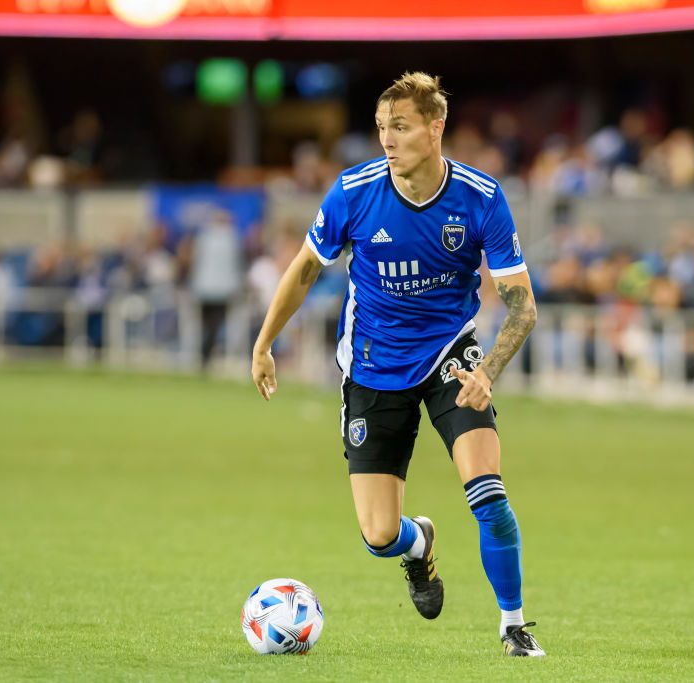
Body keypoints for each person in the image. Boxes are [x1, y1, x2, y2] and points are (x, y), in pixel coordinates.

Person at [251, 72, 545, 657]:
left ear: (436, 128)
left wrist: (487, 370)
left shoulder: (481, 197)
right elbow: (305, 269)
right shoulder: (353, 191)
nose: (387, 138)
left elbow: (523, 306)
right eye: (382, 126)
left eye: (401, 127)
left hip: (450, 357)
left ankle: (513, 626)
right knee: (379, 534)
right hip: (372, 366)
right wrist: (264, 343)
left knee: (488, 493)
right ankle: (418, 545)